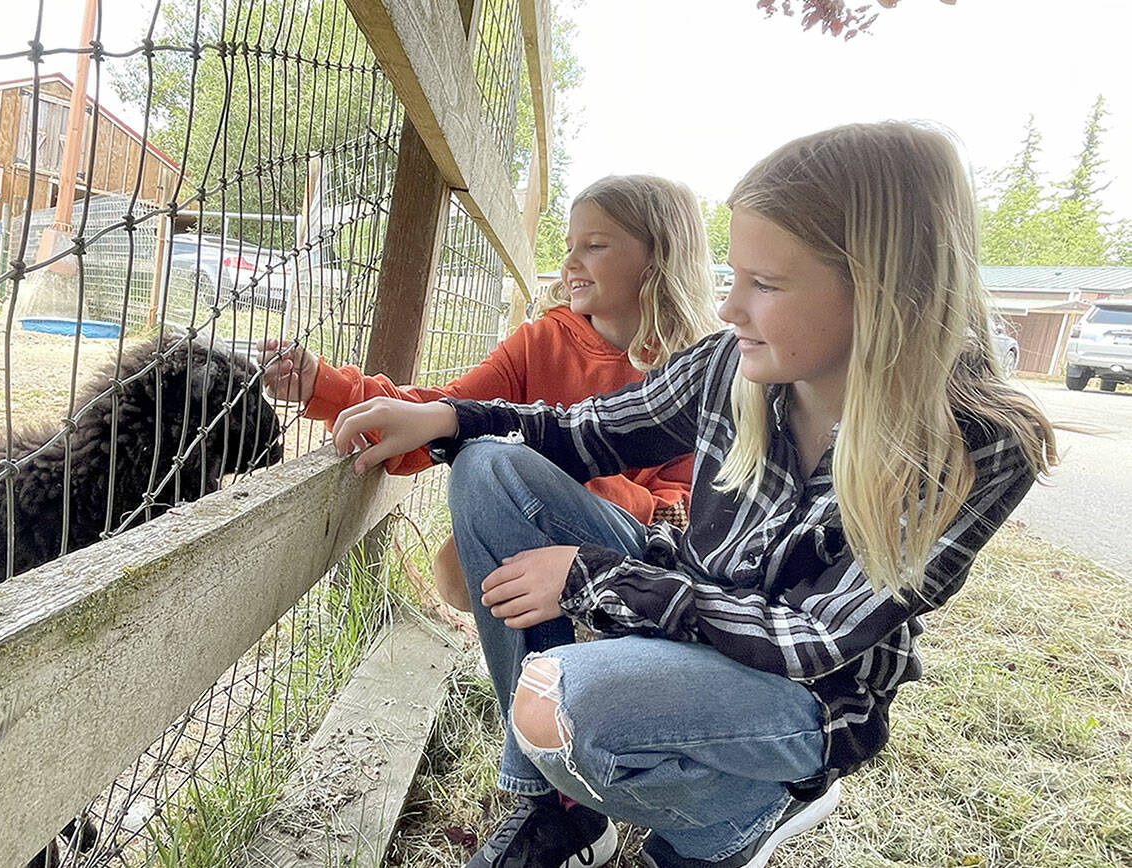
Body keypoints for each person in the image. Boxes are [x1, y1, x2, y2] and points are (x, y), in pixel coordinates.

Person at [327, 122, 1058, 868]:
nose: (731, 308)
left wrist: (592, 579)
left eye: (764, 285)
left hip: (803, 690)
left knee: (564, 704)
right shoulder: (729, 364)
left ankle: (733, 823)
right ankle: (559, 812)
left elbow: (819, 638)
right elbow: (584, 433)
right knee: (489, 469)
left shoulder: (976, 440)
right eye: (733, 277)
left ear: (883, 288)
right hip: (692, 606)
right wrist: (446, 417)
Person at [262, 175, 721, 611]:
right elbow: (447, 409)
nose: (570, 263)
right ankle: (536, 677)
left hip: (635, 555)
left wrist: (547, 471)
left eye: (595, 245)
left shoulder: (699, 374)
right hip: (537, 528)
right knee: (458, 567)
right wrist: (324, 386)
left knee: (496, 470)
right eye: (569, 247)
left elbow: (682, 511)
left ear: (658, 256)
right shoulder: (540, 342)